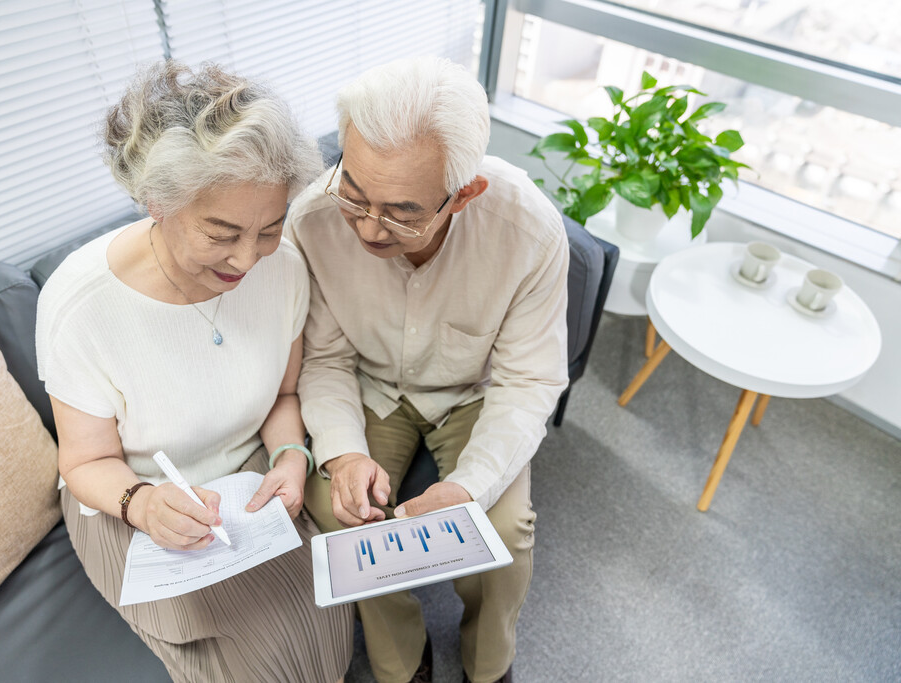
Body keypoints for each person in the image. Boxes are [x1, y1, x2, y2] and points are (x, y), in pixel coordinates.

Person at [35, 61, 353, 683]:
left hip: (247, 484)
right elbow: (84, 465)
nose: (247, 258)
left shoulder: (283, 267)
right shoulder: (82, 305)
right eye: (222, 233)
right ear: (157, 202)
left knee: (324, 631)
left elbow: (285, 393)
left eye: (268, 228)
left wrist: (292, 456)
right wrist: (145, 505)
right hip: (130, 495)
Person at [286, 57, 570, 683]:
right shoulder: (310, 221)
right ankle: (401, 662)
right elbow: (327, 359)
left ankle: (487, 666)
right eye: (354, 193)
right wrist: (341, 455)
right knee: (338, 515)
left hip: (475, 394)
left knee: (502, 531)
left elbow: (530, 381)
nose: (365, 227)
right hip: (369, 385)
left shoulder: (530, 233)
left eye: (401, 212)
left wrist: (469, 488)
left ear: (465, 193)